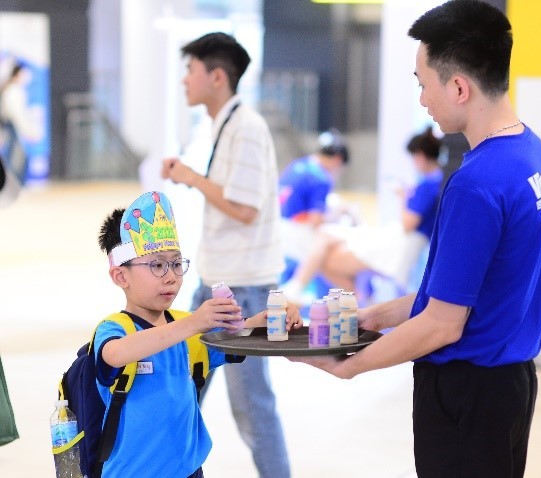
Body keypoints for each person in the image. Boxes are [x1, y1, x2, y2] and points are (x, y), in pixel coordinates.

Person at [290, 1, 541, 477]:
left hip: (465, 396)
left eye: (422, 82)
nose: (421, 99)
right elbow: (452, 294)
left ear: (458, 86)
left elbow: (442, 324)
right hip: (510, 387)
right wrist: (365, 319)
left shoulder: (477, 183)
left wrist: (351, 365)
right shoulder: (531, 153)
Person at [94, 190, 302, 477]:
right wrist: (193, 324)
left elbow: (236, 339)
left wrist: (268, 321)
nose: (171, 276)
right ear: (120, 276)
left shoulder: (186, 325)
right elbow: (115, 354)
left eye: (177, 264)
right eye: (156, 265)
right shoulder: (116, 329)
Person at [160, 32, 291, 478]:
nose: (184, 80)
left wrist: (192, 178)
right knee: (181, 390)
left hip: (244, 289)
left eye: (191, 70)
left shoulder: (246, 127)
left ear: (217, 77)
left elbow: (245, 207)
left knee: (252, 408)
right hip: (217, 281)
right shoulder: (220, 124)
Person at [282, 126, 443, 301]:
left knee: (324, 253)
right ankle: (359, 301)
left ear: (420, 155)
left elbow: (408, 224)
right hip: (397, 241)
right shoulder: (432, 182)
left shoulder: (427, 185)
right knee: (325, 252)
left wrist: (403, 197)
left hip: (397, 245)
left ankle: (300, 287)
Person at [278, 128, 349, 291]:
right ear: (338, 160)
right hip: (297, 235)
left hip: (281, 232)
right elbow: (315, 221)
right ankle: (358, 299)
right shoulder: (321, 178)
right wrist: (338, 213)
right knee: (334, 257)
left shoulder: (296, 165)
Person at [0, 62, 40, 183]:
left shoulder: (14, 90)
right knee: (14, 156)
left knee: (12, 155)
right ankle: (10, 184)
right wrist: (29, 132)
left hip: (10, 126)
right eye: (24, 74)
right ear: (17, 75)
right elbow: (17, 115)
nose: (26, 77)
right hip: (11, 126)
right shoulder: (13, 91)